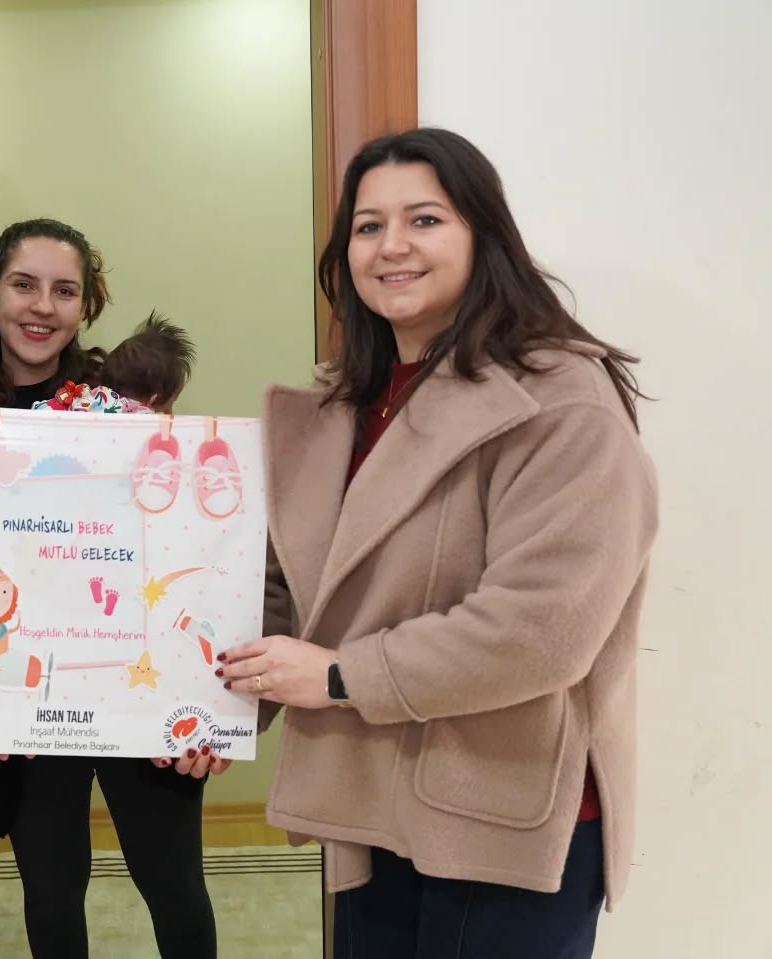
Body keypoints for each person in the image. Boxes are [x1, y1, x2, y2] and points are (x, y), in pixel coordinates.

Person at [218, 128, 659, 958]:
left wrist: (340, 675)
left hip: (498, 819)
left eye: (424, 219)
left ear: (483, 234)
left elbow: (541, 630)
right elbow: (291, 587)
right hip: (365, 799)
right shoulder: (346, 403)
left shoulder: (562, 400)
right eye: (368, 226)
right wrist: (217, 706)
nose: (392, 246)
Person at [0, 219, 223, 959]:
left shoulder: (122, 408)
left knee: (173, 883)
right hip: (23, 706)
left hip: (135, 683)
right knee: (51, 888)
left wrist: (209, 700)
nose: (43, 306)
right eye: (24, 285)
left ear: (84, 307)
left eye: (64, 291)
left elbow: (188, 543)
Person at [32, 310, 196, 414]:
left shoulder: (84, 396)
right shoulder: (141, 417)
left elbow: (39, 412)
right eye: (168, 408)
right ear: (151, 401)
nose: (171, 414)